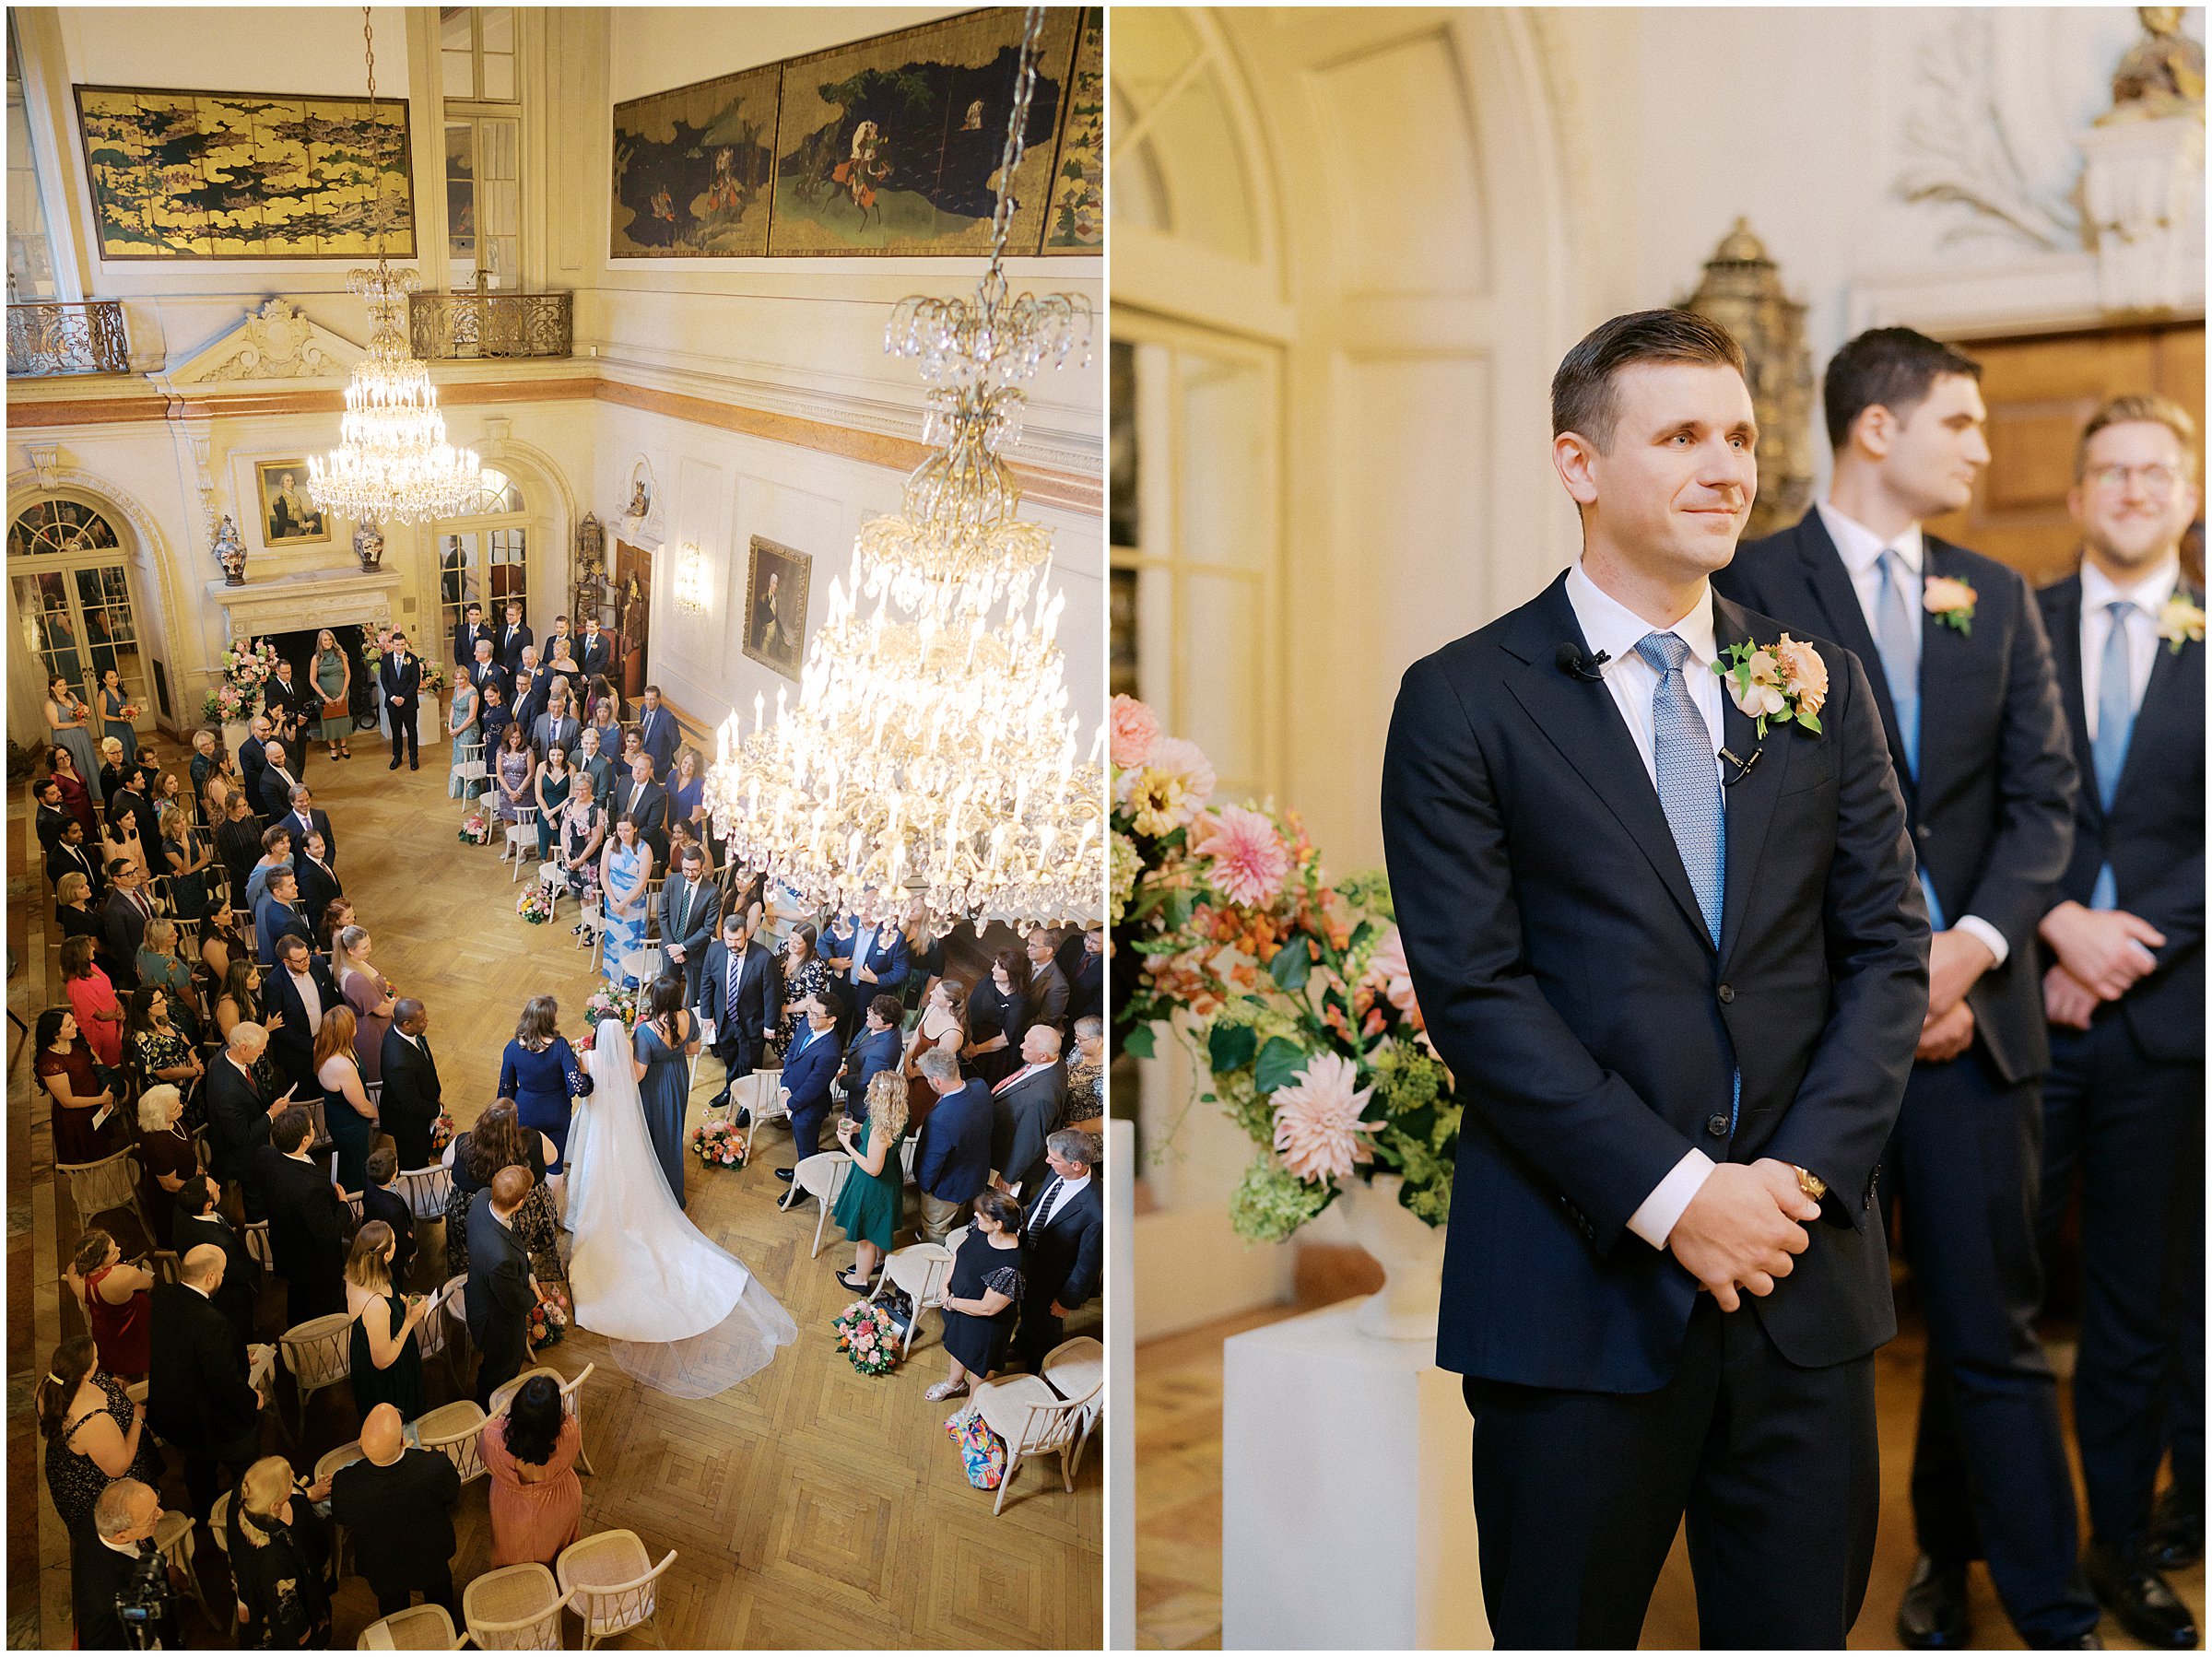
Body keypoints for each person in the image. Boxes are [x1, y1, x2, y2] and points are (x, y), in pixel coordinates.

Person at [1379, 310, 1929, 1647]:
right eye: (1682, 435)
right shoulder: (1462, 699)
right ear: (1579, 463)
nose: (1726, 467)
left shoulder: (1821, 682)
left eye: (1738, 435)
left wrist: (1786, 1189)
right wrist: (1680, 1196)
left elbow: (1885, 951)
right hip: (1578, 1291)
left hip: (1801, 1283)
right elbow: (1480, 993)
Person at [1711, 324, 2085, 1649]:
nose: (1987, 446)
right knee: (1814, 1346)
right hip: (1815, 1047)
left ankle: (2050, 1610)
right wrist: (1875, 977)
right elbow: (1730, 821)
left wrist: (1966, 951)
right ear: (1878, 427)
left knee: (1997, 1335)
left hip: (1977, 1030)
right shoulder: (1746, 584)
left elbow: (2047, 806)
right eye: (1964, 423)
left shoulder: (1998, 590)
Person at [2028, 395, 2205, 1648]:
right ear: (2079, 497)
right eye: (2112, 471)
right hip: (2019, 1014)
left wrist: (2124, 942)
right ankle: (1971, 1536)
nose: (2135, 489)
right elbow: (1959, 801)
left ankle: (2121, 1546)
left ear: (2188, 498)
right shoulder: (2005, 629)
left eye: (2157, 471)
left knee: (2138, 1306)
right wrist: (2050, 924)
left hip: (2166, 1022)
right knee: (1989, 1300)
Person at [565, 1014, 798, 1397]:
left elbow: (585, 1088)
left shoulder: (588, 1059)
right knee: (628, 1172)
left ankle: (596, 1217)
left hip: (599, 1125)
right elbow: (636, 1079)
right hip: (622, 1128)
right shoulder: (627, 1052)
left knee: (596, 1171)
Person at [331, 1402, 461, 1618]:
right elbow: (452, 1493)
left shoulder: (345, 1483)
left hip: (383, 1567)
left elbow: (343, 1517)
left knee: (392, 1611)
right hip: (430, 1554)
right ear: (402, 1440)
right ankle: (447, 1626)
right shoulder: (434, 1466)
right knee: (441, 1601)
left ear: (362, 1443)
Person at [38, 1335, 164, 1540]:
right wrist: (137, 1419)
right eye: (95, 1357)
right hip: (100, 1482)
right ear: (85, 1372)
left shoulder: (52, 1382)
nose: (99, 1359)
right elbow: (119, 1466)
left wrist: (111, 1386)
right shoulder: (92, 1421)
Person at [1009, 1129, 1103, 1371]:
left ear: (1076, 1164)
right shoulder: (1057, 1173)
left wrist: (1066, 1301)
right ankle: (1021, 1344)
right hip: (1029, 1259)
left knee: (1046, 1327)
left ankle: (1038, 1367)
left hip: (1053, 1280)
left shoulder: (1097, 1210)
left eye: (1054, 1159)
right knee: (1027, 1312)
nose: (1047, 1161)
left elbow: (1088, 1265)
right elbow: (1040, 1205)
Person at [442, 1101, 563, 1284]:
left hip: (472, 1214)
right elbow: (553, 1156)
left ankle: (470, 1272)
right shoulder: (534, 1139)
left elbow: (446, 1163)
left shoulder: (464, 1142)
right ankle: (526, 1271)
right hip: (524, 1212)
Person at [925, 1189, 1026, 1402]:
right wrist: (945, 1283)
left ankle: (971, 1408)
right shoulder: (981, 1228)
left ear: (998, 1224)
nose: (975, 1216)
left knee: (978, 1367)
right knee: (957, 1347)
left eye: (981, 1214)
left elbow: (987, 1308)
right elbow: (960, 1253)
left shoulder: (1010, 1265)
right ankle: (954, 1383)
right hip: (959, 1308)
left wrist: (951, 1301)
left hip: (983, 1326)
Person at [227, 1454, 333, 1649]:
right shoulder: (273, 1559)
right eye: (288, 1479)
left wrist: (308, 1494)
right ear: (275, 1506)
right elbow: (288, 1619)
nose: (293, 1474)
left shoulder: (247, 1489)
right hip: (287, 1611)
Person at [479, 1374, 582, 1566]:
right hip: (561, 1501)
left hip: (511, 1508)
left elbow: (483, 1456)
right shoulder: (570, 1431)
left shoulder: (492, 1437)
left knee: (512, 1552)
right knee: (557, 1551)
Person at [260, 1106, 348, 1326]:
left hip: (288, 1250)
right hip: (314, 1265)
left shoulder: (268, 1157)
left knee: (297, 1302)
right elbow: (327, 1233)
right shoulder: (310, 1189)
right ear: (305, 1140)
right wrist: (344, 1205)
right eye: (311, 1127)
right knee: (320, 1311)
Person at [467, 1166, 539, 1408]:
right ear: (519, 1203)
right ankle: (487, 1411)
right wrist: (535, 1296)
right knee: (499, 1373)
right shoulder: (501, 1259)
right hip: (497, 1325)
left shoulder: (481, 1199)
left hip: (478, 1287)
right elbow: (516, 1303)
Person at [344, 1221, 429, 1423]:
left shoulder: (359, 1270)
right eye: (394, 1241)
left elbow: (388, 1290)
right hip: (387, 1370)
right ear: (387, 1255)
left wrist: (402, 1300)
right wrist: (410, 1321)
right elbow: (382, 1361)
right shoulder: (376, 1306)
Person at [207, 1022, 292, 1219]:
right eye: (260, 1049)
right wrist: (271, 1114)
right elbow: (240, 1137)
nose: (263, 1053)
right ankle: (258, 1236)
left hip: (251, 1135)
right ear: (244, 1048)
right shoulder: (227, 1090)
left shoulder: (229, 1055)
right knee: (256, 1199)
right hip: (243, 1155)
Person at [832, 1072, 908, 1291]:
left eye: (873, 1087)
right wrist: (857, 1127)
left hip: (872, 1184)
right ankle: (878, 1261)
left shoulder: (880, 1130)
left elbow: (873, 1169)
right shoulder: (900, 1114)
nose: (868, 1090)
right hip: (891, 1175)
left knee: (865, 1234)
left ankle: (861, 1280)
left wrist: (847, 1144)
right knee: (878, 1226)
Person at [500, 996, 592, 1175]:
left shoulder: (512, 1048)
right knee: (555, 1165)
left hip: (525, 1112)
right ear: (549, 1021)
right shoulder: (560, 1046)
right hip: (556, 1112)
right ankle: (552, 1201)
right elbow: (577, 1085)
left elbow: (506, 1089)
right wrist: (589, 1082)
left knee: (524, 1164)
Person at [73, 1479, 169, 1651]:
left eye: (157, 1503)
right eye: (152, 1517)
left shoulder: (104, 1509)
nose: (161, 1513)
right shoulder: (107, 1602)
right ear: (122, 1537)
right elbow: (138, 1617)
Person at [700, 911, 781, 1113]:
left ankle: (748, 1103)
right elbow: (707, 984)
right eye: (729, 939)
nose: (733, 944)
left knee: (749, 1061)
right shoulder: (715, 951)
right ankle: (731, 1089)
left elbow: (772, 994)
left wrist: (770, 1025)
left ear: (746, 934)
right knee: (729, 1056)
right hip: (724, 1018)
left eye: (737, 939)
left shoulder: (764, 958)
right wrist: (707, 1015)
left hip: (752, 1021)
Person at [912, 1048, 994, 1242]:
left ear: (937, 1080)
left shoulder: (940, 1119)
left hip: (946, 1188)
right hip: (974, 1177)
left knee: (936, 1228)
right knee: (959, 1224)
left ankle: (935, 1260)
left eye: (928, 1079)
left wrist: (925, 1186)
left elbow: (932, 1161)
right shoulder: (980, 1086)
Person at [172, 1175, 261, 1352]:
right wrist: (255, 1269)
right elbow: (237, 1272)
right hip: (229, 1293)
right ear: (208, 1206)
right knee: (240, 1328)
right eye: (216, 1189)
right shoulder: (219, 1241)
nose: (220, 1186)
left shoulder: (182, 1208)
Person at [633, 973, 699, 1206]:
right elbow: (693, 1050)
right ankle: (673, 1188)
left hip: (655, 1083)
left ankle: (655, 1190)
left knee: (654, 1134)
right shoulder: (689, 1016)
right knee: (672, 1133)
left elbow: (639, 1073)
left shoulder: (645, 1031)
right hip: (679, 1076)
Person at [33, 1006, 126, 1165]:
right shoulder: (51, 1064)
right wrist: (101, 1099)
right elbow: (67, 1101)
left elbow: (97, 1063)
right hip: (77, 1118)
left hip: (96, 1100)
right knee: (90, 1157)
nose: (76, 1026)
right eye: (69, 1025)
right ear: (55, 1034)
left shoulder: (76, 1041)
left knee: (103, 1147)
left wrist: (105, 1089)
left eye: (73, 1021)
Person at [990, 1024, 1068, 1196]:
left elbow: (1029, 1141)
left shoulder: (1042, 1098)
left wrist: (1008, 1176)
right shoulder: (1054, 1059)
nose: (1021, 1046)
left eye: (1028, 1045)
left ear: (1043, 1056)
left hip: (1007, 1161)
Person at [775, 993, 844, 1179]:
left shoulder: (830, 1052)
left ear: (832, 1019)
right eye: (809, 1010)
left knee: (807, 1150)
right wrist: (785, 1087)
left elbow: (813, 1088)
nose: (809, 1016)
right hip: (791, 1094)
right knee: (802, 1146)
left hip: (808, 1110)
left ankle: (805, 1183)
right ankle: (802, 1172)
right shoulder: (808, 1023)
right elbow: (792, 1054)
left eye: (815, 1014)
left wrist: (790, 1103)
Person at [67, 1229, 153, 1380]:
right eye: (113, 1252)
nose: (119, 1249)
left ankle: (122, 1377)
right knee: (145, 1350)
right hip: (133, 1322)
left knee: (116, 1354)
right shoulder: (124, 1275)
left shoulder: (73, 1271)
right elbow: (148, 1284)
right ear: (99, 1263)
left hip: (105, 1326)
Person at [265, 932, 336, 1098]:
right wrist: (311, 1045)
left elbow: (331, 998)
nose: (307, 962)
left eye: (307, 955)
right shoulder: (274, 984)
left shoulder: (318, 964)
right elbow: (279, 1027)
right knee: (308, 1094)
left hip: (327, 1038)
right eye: (300, 960)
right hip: (298, 1053)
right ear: (286, 961)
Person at [316, 1004, 377, 1194]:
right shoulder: (341, 1066)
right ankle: (355, 1205)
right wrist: (377, 1114)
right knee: (356, 1168)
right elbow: (362, 1107)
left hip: (339, 1118)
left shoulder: (327, 1046)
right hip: (350, 1126)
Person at [380, 999, 443, 1170]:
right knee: (414, 1162)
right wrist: (438, 1110)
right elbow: (411, 1103)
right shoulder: (399, 1062)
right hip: (410, 1125)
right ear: (406, 1024)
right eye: (422, 1020)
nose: (427, 1022)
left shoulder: (401, 1032)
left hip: (420, 1108)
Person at [135, 1082, 200, 1243]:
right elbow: (169, 1184)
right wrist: (198, 1189)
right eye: (175, 1108)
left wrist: (195, 1167)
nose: (181, 1108)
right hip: (171, 1200)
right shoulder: (158, 1143)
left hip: (188, 1178)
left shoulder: (171, 1121)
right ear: (159, 1116)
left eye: (178, 1103)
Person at [330, 925, 395, 1085]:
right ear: (350, 950)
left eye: (369, 944)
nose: (370, 949)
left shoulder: (355, 963)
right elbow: (381, 1010)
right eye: (365, 947)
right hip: (373, 1031)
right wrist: (397, 1004)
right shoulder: (355, 979)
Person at [599, 814, 654, 984]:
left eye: (627, 830)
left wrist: (623, 903)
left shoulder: (644, 849)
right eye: (620, 830)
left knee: (631, 942)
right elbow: (603, 875)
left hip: (633, 905)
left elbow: (642, 882)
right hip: (612, 901)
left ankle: (630, 980)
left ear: (635, 829)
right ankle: (615, 977)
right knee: (614, 939)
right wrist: (613, 901)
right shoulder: (610, 843)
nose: (623, 834)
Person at [965, 948, 1030, 1087]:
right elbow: (971, 1006)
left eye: (1000, 967)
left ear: (1013, 973)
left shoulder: (1018, 1002)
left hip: (989, 1051)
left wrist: (975, 1049)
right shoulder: (989, 979)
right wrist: (967, 1038)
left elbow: (1005, 1039)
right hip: (970, 1035)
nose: (993, 969)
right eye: (995, 964)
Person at [59, 934, 125, 1068]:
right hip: (100, 1032)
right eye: (89, 947)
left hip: (111, 1021)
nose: (93, 948)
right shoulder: (77, 986)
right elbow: (99, 1015)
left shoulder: (91, 967)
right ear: (80, 955)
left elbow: (108, 989)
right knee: (109, 1065)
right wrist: (119, 1015)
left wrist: (119, 1005)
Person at [841, 993, 904, 1119]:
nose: (868, 1016)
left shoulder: (881, 1053)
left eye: (874, 1016)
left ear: (888, 1024)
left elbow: (863, 1082)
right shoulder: (875, 1022)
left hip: (862, 1104)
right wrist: (847, 1063)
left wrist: (841, 1079)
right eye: (869, 1009)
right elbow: (859, 1039)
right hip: (853, 1075)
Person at [772, 924, 831, 1060]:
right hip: (777, 1007)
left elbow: (811, 1001)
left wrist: (783, 1009)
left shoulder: (816, 966)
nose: (792, 944)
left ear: (808, 944)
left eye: (798, 942)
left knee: (791, 1053)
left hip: (797, 1017)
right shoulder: (784, 947)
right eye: (791, 938)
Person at [361, 1146, 417, 1284]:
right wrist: (412, 1247)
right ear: (393, 1174)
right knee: (394, 1282)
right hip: (391, 1254)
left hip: (373, 1227)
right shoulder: (393, 1210)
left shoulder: (370, 1182)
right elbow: (400, 1240)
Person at [45, 674, 102, 804]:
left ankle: (94, 791)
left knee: (87, 759)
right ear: (53, 688)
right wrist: (75, 724)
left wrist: (85, 712)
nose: (64, 687)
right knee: (74, 762)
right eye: (60, 685)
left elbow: (80, 709)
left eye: (64, 684)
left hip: (81, 734)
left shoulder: (71, 695)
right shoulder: (50, 703)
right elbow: (55, 725)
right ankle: (77, 793)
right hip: (65, 737)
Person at [157, 799, 215, 923]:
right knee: (190, 917)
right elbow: (186, 869)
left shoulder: (191, 834)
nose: (183, 824)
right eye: (177, 822)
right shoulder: (168, 845)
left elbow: (204, 860)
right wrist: (186, 849)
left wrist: (187, 871)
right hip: (183, 887)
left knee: (204, 914)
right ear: (170, 825)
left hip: (198, 881)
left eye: (183, 820)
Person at [100, 855, 153, 984]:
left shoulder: (137, 888)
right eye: (129, 874)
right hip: (140, 959)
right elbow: (122, 946)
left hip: (154, 947)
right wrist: (137, 967)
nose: (135, 875)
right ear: (117, 879)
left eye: (135, 870)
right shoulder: (114, 909)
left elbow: (150, 912)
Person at [380, 629, 423, 770]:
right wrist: (393, 698)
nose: (400, 648)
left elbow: (415, 682)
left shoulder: (413, 659)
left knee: (412, 730)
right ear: (392, 644)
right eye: (397, 645)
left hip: (409, 703)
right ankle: (397, 756)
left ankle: (413, 757)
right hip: (392, 704)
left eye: (402, 645)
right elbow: (384, 681)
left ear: (406, 644)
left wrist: (403, 697)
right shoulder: (386, 660)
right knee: (396, 731)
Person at [312, 628, 353, 760]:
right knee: (329, 722)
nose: (328, 642)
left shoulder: (341, 655)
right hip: (325, 697)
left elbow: (348, 675)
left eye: (330, 639)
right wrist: (324, 696)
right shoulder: (316, 658)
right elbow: (312, 680)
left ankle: (344, 746)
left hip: (342, 693)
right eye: (325, 639)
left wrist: (342, 694)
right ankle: (333, 749)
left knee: (342, 720)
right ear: (320, 641)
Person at [491, 721, 535, 847]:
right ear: (507, 737)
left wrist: (519, 792)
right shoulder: (501, 751)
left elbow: (531, 774)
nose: (515, 741)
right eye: (512, 737)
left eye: (517, 737)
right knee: (507, 821)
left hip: (524, 792)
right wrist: (510, 792)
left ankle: (523, 850)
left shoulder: (528, 751)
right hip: (507, 793)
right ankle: (510, 847)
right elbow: (499, 774)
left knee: (523, 822)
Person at [254, 866, 309, 967]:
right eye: (291, 885)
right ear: (277, 892)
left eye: (294, 883)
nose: (296, 887)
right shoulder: (287, 923)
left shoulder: (273, 905)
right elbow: (296, 954)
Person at [216, 793, 265, 900]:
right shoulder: (223, 830)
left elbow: (263, 846)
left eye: (244, 805)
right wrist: (248, 876)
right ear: (229, 808)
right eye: (239, 806)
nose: (243, 809)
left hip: (260, 873)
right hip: (240, 879)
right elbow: (227, 860)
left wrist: (260, 871)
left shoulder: (253, 821)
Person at [292, 828, 343, 933]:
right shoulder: (307, 872)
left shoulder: (319, 860)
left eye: (322, 845)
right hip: (326, 925)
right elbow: (316, 904)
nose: (322, 849)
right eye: (317, 847)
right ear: (306, 849)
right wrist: (336, 918)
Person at [1024, 928, 1071, 1037]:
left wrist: (1017, 1025)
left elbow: (1045, 1020)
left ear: (1049, 950)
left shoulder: (1059, 985)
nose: (1028, 948)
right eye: (1028, 944)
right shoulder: (1025, 961)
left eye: (1033, 946)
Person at [531, 740, 574, 859]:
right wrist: (549, 816)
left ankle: (562, 871)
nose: (556, 758)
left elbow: (571, 797)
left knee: (564, 845)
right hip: (545, 811)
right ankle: (546, 872)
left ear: (564, 754)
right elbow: (538, 795)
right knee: (545, 846)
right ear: (548, 754)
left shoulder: (571, 768)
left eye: (560, 755)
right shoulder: (542, 767)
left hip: (563, 811)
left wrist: (553, 812)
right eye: (553, 755)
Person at [278, 784, 337, 870]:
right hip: (303, 875)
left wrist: (326, 866)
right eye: (300, 801)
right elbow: (288, 857)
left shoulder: (321, 816)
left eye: (307, 799)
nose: (305, 803)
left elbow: (330, 843)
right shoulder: (284, 826)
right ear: (292, 802)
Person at [1060, 923, 1104, 1026]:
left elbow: (1097, 1004)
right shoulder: (1073, 942)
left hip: (1077, 1017)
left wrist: (1071, 1023)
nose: (1088, 944)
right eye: (1087, 937)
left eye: (1095, 943)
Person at [97, 664, 138, 773]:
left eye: (116, 676)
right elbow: (102, 715)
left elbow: (125, 707)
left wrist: (132, 712)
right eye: (111, 678)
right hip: (113, 727)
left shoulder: (120, 691)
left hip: (126, 725)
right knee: (120, 750)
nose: (115, 680)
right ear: (104, 680)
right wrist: (119, 719)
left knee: (131, 747)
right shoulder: (103, 694)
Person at [446, 669, 480, 798]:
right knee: (457, 758)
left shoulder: (473, 693)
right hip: (456, 730)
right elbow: (453, 707)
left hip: (469, 731)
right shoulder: (456, 689)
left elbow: (472, 717)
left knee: (464, 759)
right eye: (456, 679)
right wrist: (450, 724)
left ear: (467, 678)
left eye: (461, 679)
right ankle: (457, 789)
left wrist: (458, 730)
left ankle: (471, 791)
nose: (458, 681)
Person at [1065, 1015, 1104, 1123]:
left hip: (1081, 1129)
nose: (1076, 1042)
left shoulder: (1102, 1074)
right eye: (1076, 1036)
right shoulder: (1080, 1049)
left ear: (1099, 1041)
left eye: (1080, 1039)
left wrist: (1080, 1127)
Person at [258, 738, 303, 820]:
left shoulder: (289, 763)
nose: (282, 759)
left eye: (283, 755)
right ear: (268, 757)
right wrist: (298, 816)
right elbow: (277, 810)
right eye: (277, 757)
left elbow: (299, 782)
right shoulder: (266, 781)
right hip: (286, 820)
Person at [574, 723, 616, 808]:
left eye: (593, 743)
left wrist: (586, 807)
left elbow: (602, 794)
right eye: (586, 743)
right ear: (581, 742)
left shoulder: (604, 764)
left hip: (592, 807)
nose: (589, 747)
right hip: (574, 803)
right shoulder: (574, 756)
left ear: (598, 743)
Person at [497, 597, 533, 675]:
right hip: (500, 671)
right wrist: (500, 667)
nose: (508, 617)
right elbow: (497, 650)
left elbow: (523, 655)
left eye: (512, 615)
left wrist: (509, 668)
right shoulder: (501, 629)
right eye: (507, 614)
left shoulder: (526, 632)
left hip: (516, 672)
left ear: (519, 615)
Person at [453, 600, 492, 670]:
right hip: (463, 668)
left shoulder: (487, 632)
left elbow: (488, 655)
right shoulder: (461, 630)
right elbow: (457, 651)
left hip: (479, 669)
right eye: (471, 614)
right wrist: (461, 667)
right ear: (467, 614)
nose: (474, 617)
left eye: (476, 614)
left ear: (480, 614)